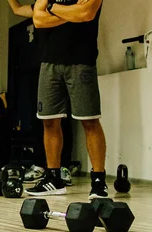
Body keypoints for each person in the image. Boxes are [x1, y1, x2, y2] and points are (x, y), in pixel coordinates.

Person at [24, 0, 107, 199]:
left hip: (81, 60)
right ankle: (53, 178)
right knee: (49, 122)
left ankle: (98, 181)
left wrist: (52, 8)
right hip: (49, 61)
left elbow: (86, 14)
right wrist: (71, 13)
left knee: (89, 121)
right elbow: (38, 19)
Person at [7, 0, 73, 187]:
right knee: (42, 119)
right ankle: (40, 165)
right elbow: (18, 9)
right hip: (42, 67)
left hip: (67, 64)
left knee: (64, 119)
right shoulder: (41, 5)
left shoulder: (66, 6)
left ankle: (63, 167)